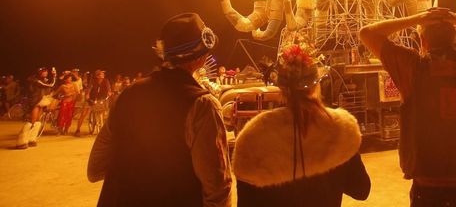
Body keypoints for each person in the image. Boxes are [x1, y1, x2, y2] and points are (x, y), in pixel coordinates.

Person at [359, 7, 456, 207]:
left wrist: (418, 18)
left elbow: (367, 33)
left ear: (423, 41)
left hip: (429, 184)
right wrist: (455, 18)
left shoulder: (413, 67)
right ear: (454, 39)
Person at [87, 12, 231, 207]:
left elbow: (95, 169)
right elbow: (217, 187)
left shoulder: (127, 95)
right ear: (201, 58)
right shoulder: (203, 104)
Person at [233, 44, 370, 206]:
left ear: (281, 88)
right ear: (316, 84)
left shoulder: (254, 135)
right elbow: (361, 190)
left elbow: (245, 202)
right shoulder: (341, 127)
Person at [74, 69, 111, 136]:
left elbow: (108, 88)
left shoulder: (106, 81)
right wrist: (87, 94)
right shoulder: (93, 82)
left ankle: (104, 129)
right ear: (97, 76)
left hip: (101, 99)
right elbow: (89, 89)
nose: (103, 75)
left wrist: (109, 92)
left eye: (103, 74)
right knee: (84, 114)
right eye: (101, 74)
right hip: (91, 99)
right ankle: (78, 130)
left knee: (104, 112)